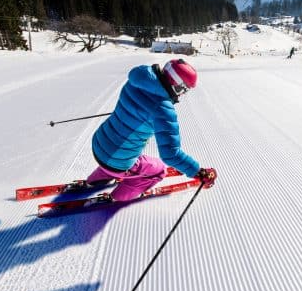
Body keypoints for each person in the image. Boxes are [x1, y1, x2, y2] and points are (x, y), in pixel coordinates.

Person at [86, 58, 217, 202]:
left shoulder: (137, 82)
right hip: (115, 161)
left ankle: (97, 179)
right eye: (185, 89)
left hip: (99, 142)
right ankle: (117, 197)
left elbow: (137, 106)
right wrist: (198, 172)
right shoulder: (163, 109)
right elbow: (170, 155)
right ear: (177, 85)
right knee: (159, 170)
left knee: (121, 151)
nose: (182, 95)